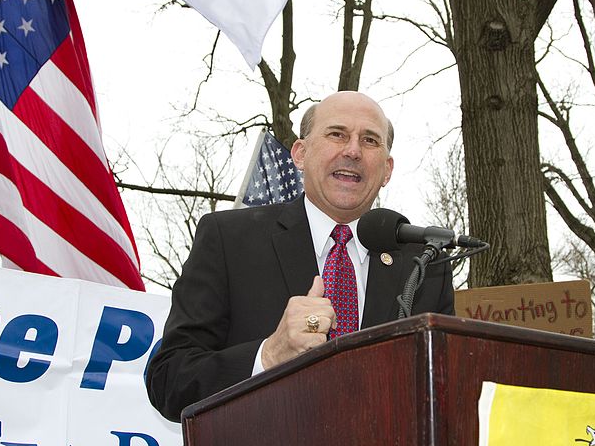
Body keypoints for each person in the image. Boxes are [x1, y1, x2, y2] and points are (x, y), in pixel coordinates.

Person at [146, 91, 455, 422]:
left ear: (387, 169)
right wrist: (270, 354)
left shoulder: (424, 262)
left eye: (369, 140)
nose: (352, 150)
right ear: (300, 153)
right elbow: (169, 380)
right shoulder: (228, 238)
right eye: (337, 134)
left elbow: (447, 394)